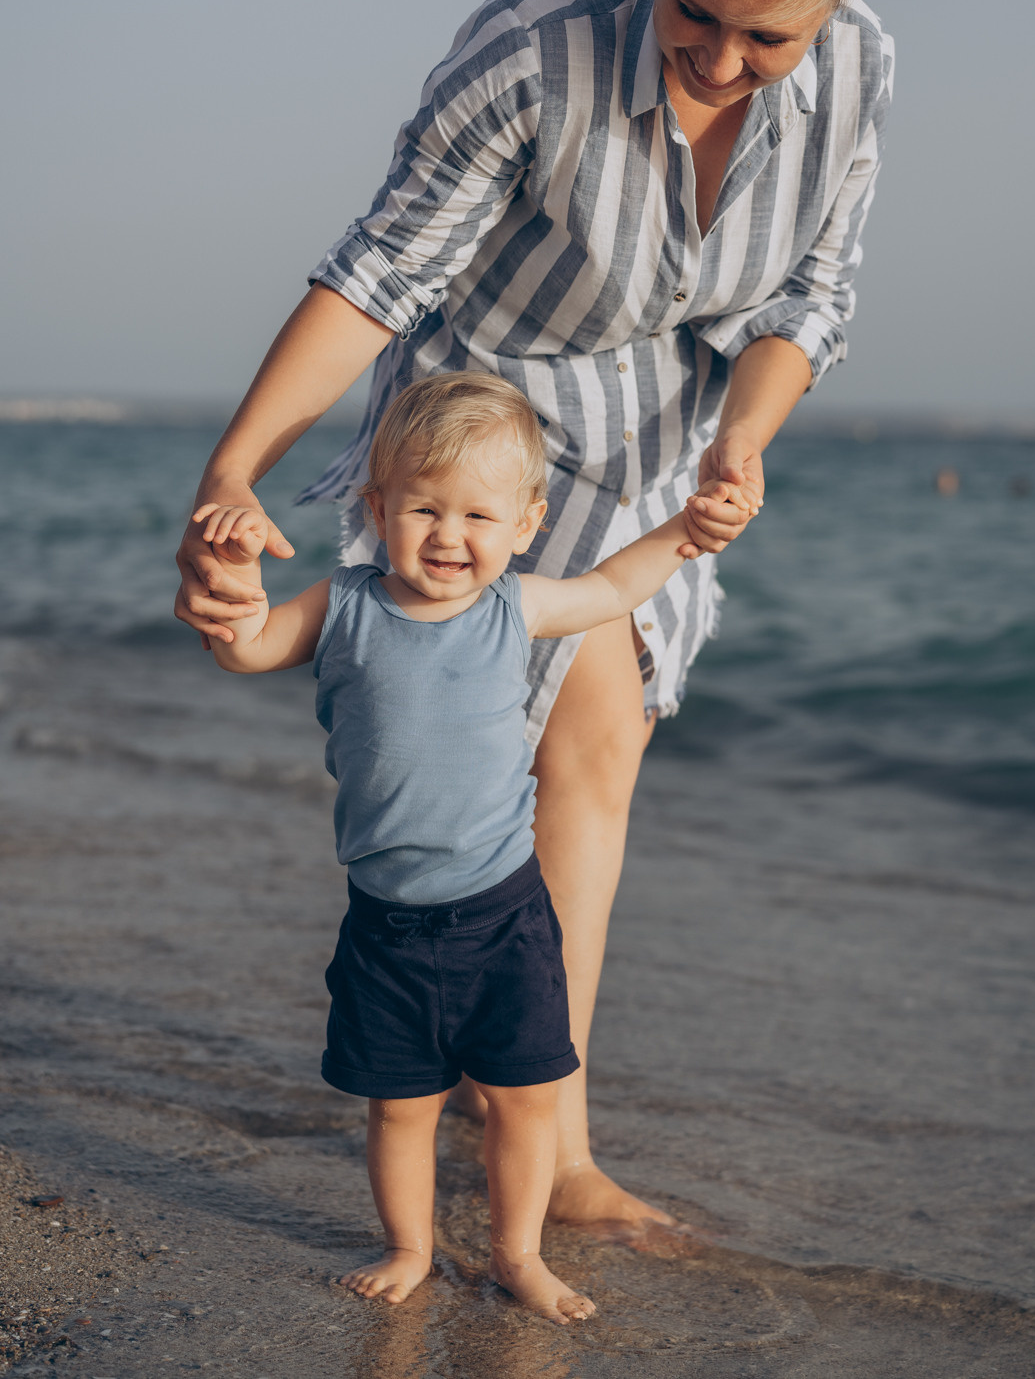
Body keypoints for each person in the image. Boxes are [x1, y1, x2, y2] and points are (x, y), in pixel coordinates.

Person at [174, 0, 933, 1232]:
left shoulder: (856, 69)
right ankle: (517, 1104)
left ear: (836, 0)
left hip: (663, 423)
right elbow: (381, 270)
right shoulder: (534, 47)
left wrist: (747, 439)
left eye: (764, 36)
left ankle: (534, 1112)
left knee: (596, 747)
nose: (717, 58)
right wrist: (234, 465)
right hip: (491, 416)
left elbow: (814, 290)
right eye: (693, 12)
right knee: (522, 748)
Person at [195, 373, 753, 1321]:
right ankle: (409, 1245)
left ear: (527, 522)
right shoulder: (345, 606)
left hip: (503, 915)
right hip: (387, 924)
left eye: (478, 516)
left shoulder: (516, 609)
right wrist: (235, 586)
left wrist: (686, 533)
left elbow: (615, 585)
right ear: (375, 509)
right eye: (422, 508)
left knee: (527, 1097)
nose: (449, 536)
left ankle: (517, 1255)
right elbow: (248, 645)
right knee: (400, 1106)